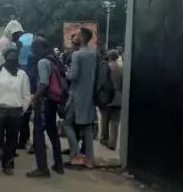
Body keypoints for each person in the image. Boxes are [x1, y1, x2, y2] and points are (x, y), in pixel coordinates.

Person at [0, 45, 30, 176]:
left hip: (15, 111)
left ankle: (8, 164)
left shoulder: (22, 75)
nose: (12, 61)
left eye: (15, 58)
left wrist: (22, 109)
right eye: (10, 58)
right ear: (5, 58)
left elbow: (26, 95)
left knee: (12, 139)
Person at [27, 38, 65, 178]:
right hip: (53, 102)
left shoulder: (43, 62)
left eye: (35, 48)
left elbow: (43, 83)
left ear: (41, 48)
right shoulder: (53, 60)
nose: (33, 51)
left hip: (44, 102)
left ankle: (42, 168)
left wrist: (34, 97)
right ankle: (58, 164)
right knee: (53, 133)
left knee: (38, 134)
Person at [64, 27, 97, 168]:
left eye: (77, 35)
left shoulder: (77, 55)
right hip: (88, 95)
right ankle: (89, 159)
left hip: (76, 96)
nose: (74, 37)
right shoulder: (93, 54)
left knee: (67, 123)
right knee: (87, 127)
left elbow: (73, 76)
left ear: (82, 38)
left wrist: (66, 72)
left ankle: (76, 155)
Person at [100, 50, 123, 150]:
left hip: (107, 97)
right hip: (118, 97)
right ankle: (113, 143)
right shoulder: (122, 68)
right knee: (115, 121)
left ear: (109, 57)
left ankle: (104, 138)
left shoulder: (106, 67)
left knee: (105, 118)